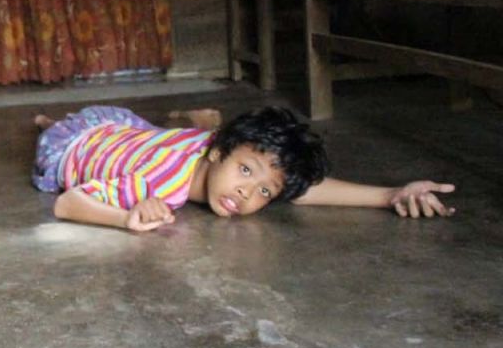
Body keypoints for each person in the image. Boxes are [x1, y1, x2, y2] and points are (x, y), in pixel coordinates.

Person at [34, 105, 455, 232]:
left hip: (143, 137)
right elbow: (68, 204)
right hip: (77, 144)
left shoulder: (224, 154)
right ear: (219, 153)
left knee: (169, 134)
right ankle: (51, 124)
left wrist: (390, 194)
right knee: (57, 131)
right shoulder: (158, 184)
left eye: (264, 193)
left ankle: (198, 123)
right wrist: (126, 217)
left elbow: (301, 187)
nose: (247, 194)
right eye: (247, 172)